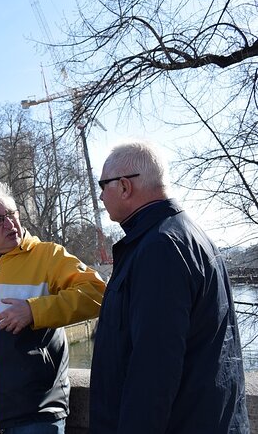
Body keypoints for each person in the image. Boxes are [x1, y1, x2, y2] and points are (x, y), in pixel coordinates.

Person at [89, 141, 250, 433]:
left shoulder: (159, 248)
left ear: (125, 187)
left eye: (104, 185)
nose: (100, 195)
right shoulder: (182, 235)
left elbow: (154, 368)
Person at [0, 182, 106, 434]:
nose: (10, 224)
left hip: (36, 413)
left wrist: (35, 311)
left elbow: (97, 293)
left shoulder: (49, 255)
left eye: (12, 214)